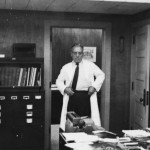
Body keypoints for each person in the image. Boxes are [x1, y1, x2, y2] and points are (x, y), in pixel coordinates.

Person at [56, 43, 105, 131]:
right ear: (71, 54)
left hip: (86, 97)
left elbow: (101, 75)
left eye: (80, 53)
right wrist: (64, 88)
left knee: (86, 124)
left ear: (83, 54)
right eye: (75, 53)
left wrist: (94, 87)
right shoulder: (66, 67)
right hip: (72, 96)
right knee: (71, 123)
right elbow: (58, 81)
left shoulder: (90, 65)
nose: (77, 55)